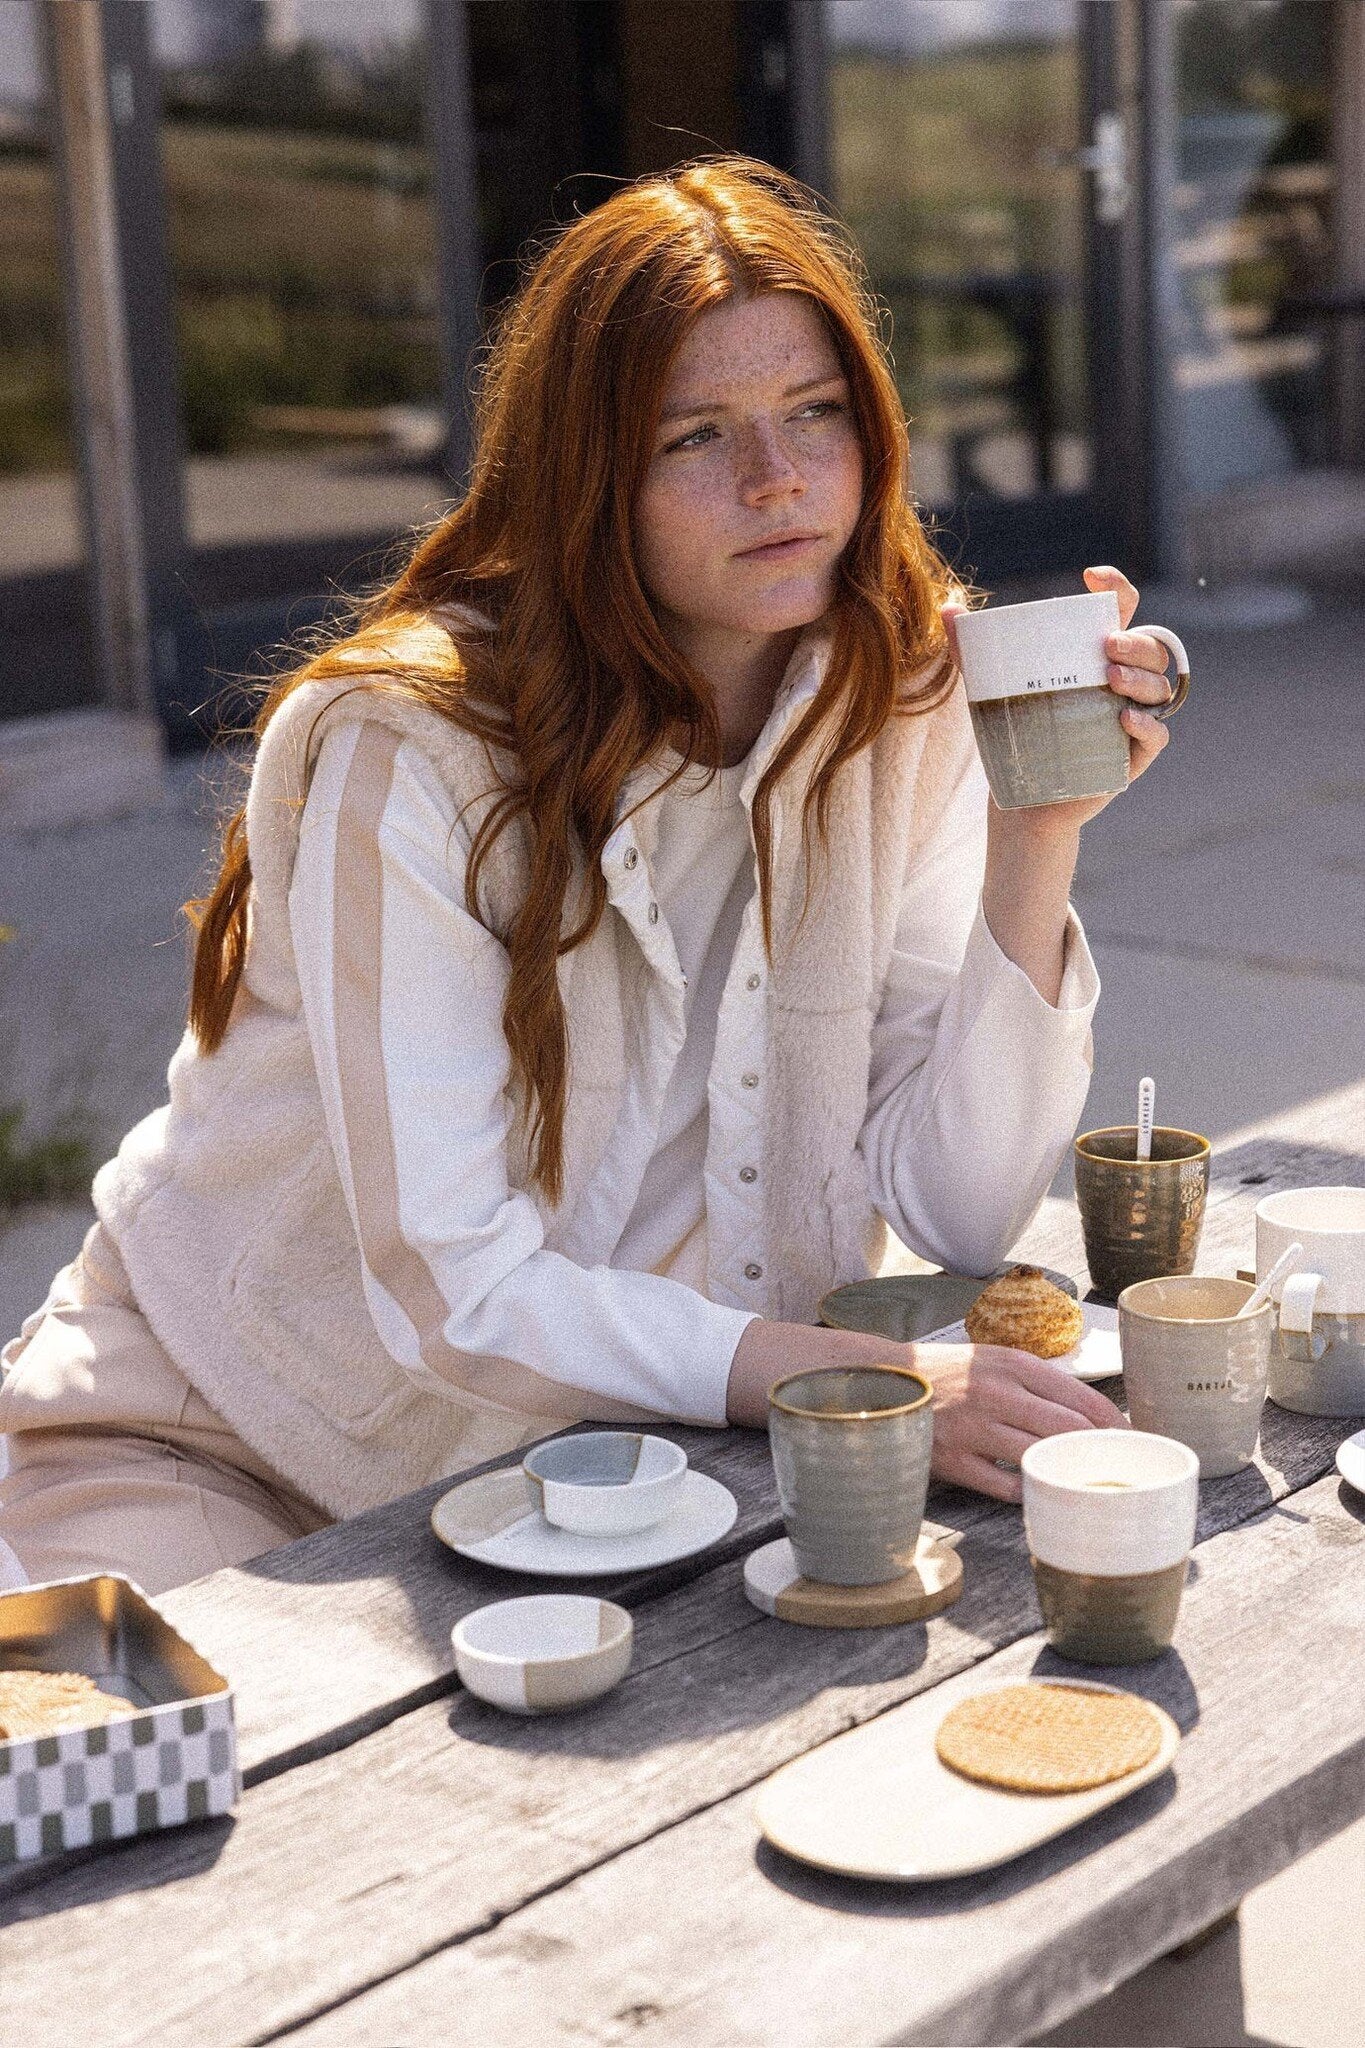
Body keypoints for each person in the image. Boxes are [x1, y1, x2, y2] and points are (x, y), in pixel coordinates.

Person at [0, 158, 1177, 1598]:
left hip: (606, 1469)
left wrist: (1035, 832)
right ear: (583, 476)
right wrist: (861, 1381)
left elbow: (957, 1207)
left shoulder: (902, 692)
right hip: (218, 1438)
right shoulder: (407, 744)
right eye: (695, 435)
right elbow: (451, 1288)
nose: (776, 479)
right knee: (200, 1749)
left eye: (814, 413)